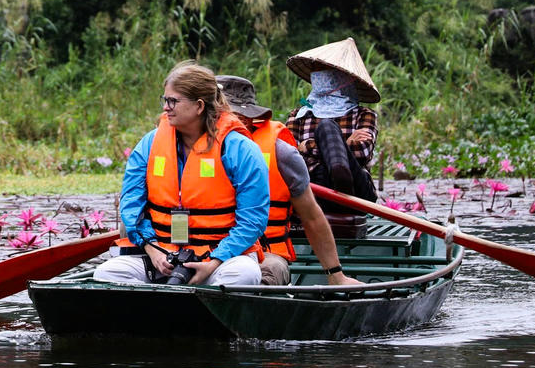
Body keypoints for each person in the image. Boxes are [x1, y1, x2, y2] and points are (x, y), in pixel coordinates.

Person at [95, 61, 267, 287]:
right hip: (161, 256)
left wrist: (213, 262)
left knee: (244, 274)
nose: (166, 107)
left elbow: (253, 220)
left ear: (198, 106)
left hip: (220, 260)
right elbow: (131, 204)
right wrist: (152, 249)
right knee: (107, 273)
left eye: (173, 101)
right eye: (165, 100)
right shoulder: (149, 144)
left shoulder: (240, 150)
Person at [216, 74, 363, 287]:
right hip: (205, 248)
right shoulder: (186, 147)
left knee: (263, 273)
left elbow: (311, 216)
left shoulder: (281, 151)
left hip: (266, 253)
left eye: (229, 115)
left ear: (247, 118)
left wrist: (335, 274)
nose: (221, 123)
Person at [284, 37, 379, 202]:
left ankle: (341, 177)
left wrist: (306, 145)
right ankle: (336, 175)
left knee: (327, 126)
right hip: (314, 186)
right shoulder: (299, 115)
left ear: (342, 77)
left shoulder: (364, 114)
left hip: (357, 191)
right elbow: (289, 157)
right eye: (316, 71)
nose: (317, 76)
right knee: (321, 162)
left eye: (324, 71)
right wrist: (346, 143)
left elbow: (362, 152)